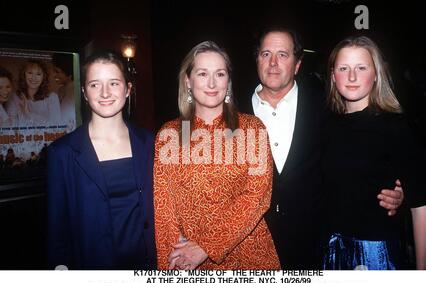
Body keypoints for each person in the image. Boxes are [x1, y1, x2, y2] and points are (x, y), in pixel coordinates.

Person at [245, 27, 404, 269]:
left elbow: (362, 158)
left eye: (283, 55)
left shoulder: (327, 107)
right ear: (257, 59)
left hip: (314, 248)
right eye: (266, 54)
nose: (273, 63)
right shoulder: (232, 112)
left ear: (298, 64)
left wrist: (399, 191)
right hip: (249, 246)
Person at [154, 41, 280, 270]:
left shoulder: (252, 128)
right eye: (202, 74)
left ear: (228, 82)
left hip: (250, 257)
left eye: (220, 74)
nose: (212, 83)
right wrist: (170, 268)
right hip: (188, 262)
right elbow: (165, 211)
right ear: (187, 81)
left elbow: (257, 198)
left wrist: (205, 247)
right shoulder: (169, 134)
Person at [322, 35, 426, 270]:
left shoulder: (398, 127)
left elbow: (421, 206)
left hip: (377, 255)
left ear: (376, 73)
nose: (351, 76)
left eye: (361, 67)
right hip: (330, 252)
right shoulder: (324, 125)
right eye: (343, 68)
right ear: (332, 75)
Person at [47, 51, 156, 269]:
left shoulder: (150, 143)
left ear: (128, 89)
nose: (105, 93)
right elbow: (56, 229)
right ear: (84, 92)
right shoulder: (62, 153)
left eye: (114, 83)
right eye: (95, 84)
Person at [6, 59, 61, 126]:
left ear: (43, 77)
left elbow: (56, 126)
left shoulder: (52, 97)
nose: (34, 78)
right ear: (24, 75)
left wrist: (28, 113)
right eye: (30, 73)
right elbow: (11, 126)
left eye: (38, 74)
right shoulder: (13, 97)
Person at [52, 53, 76, 132]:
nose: (54, 75)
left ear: (69, 74)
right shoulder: (61, 90)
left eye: (57, 72)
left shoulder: (74, 91)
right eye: (54, 71)